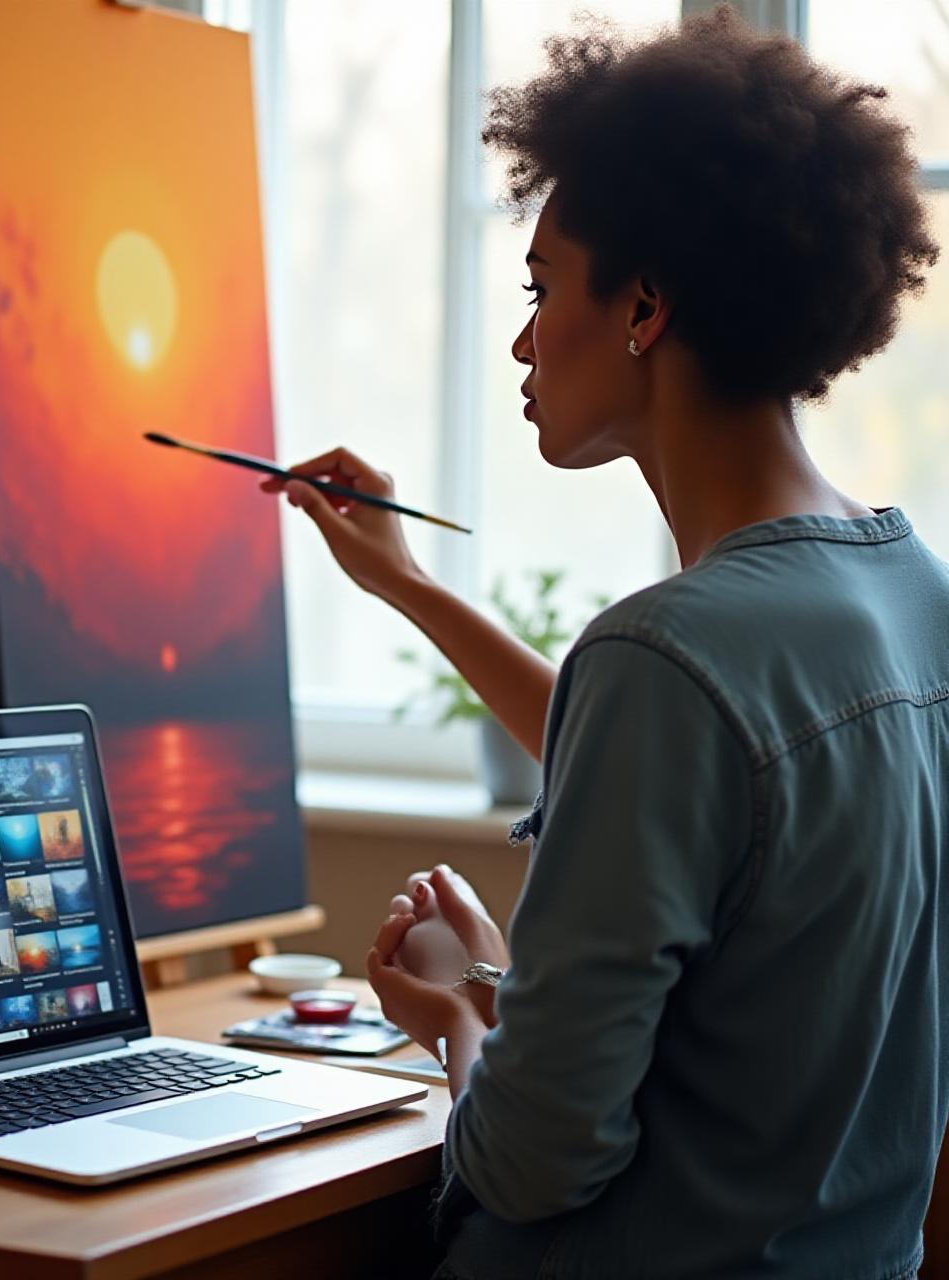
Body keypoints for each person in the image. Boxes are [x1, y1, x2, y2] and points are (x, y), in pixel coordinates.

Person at [261, 8, 946, 1278]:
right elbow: (720, 784)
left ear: (642, 304)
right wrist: (409, 586)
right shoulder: (911, 594)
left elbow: (529, 1159)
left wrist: (455, 1017)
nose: (521, 341)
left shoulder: (667, 656)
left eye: (537, 290)